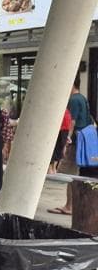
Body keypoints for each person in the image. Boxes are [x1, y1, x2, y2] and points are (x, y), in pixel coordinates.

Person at [50, 76, 95, 215]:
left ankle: (69, 206)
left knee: (69, 174)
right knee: (76, 174)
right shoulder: (82, 98)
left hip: (75, 141)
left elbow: (72, 121)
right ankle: (73, 205)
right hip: (83, 140)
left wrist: (66, 140)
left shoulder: (73, 100)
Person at [49, 108, 72, 174]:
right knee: (58, 149)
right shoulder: (65, 110)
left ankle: (52, 169)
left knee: (56, 149)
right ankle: (53, 169)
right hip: (63, 128)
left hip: (60, 128)